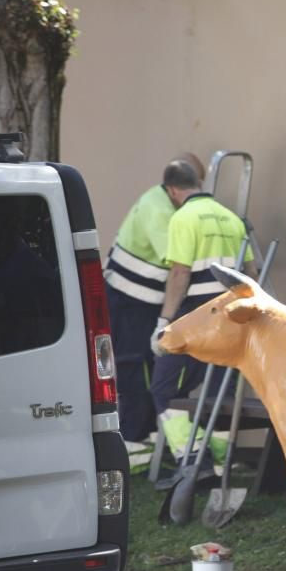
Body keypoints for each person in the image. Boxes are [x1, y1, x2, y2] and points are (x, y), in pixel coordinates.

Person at [104, 153, 206, 442]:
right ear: (175, 188)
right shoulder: (159, 210)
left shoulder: (164, 203)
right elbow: (179, 265)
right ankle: (136, 439)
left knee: (147, 367)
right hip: (129, 302)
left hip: (141, 302)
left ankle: (144, 436)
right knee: (136, 369)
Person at [149, 159, 255, 421]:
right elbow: (252, 273)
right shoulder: (231, 218)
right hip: (233, 314)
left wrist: (164, 322)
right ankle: (219, 461)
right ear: (198, 183)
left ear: (172, 190)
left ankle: (190, 454)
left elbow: (179, 273)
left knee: (163, 387)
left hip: (198, 315)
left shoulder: (183, 218)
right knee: (221, 393)